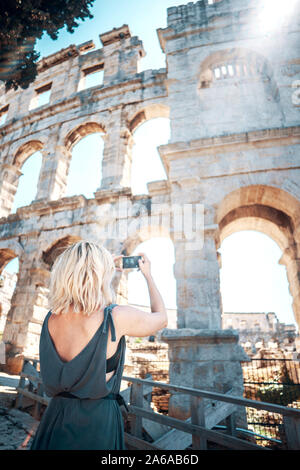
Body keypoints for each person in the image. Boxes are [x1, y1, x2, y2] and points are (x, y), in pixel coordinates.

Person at [30, 241, 167, 450]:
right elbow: (161, 318)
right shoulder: (115, 317)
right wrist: (147, 275)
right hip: (96, 422)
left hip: (55, 418)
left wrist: (102, 262)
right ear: (101, 274)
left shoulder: (51, 318)